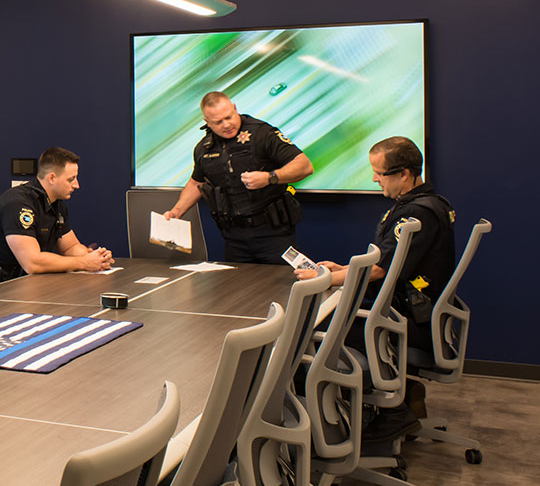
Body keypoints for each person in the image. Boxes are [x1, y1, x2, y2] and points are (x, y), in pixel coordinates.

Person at [295, 136, 456, 444]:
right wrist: (341, 270)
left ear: (404, 174)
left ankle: (391, 411)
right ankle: (403, 392)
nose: (373, 178)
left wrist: (325, 280)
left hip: (407, 321)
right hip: (420, 315)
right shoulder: (431, 204)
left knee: (315, 329)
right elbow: (387, 261)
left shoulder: (415, 214)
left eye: (379, 173)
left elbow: (381, 269)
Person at [163, 92, 313, 264]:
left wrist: (270, 177)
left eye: (229, 117)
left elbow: (304, 165)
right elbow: (197, 182)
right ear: (207, 122)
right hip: (234, 238)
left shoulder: (262, 134)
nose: (226, 125)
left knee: (280, 288)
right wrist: (177, 211)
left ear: (235, 108)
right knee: (238, 289)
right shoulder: (204, 148)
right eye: (218, 122)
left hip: (273, 233)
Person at [0, 147, 114, 283]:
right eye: (71, 179)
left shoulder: (56, 203)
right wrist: (84, 263)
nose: (76, 185)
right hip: (1, 287)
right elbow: (32, 263)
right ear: (51, 178)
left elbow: (70, 247)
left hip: (29, 283)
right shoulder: (18, 204)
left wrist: (96, 259)